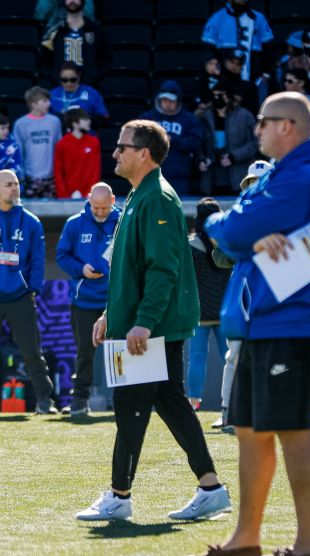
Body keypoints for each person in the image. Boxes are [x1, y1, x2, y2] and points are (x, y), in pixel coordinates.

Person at [187, 92, 310, 556]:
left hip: (295, 323)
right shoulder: (284, 175)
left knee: (294, 431)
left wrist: (230, 226)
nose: (255, 130)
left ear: (287, 127)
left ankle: (309, 545)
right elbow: (238, 234)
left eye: (262, 122)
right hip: (268, 321)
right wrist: (244, 232)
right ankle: (245, 539)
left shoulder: (304, 176)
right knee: (250, 430)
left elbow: (229, 231)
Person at [75, 119, 226, 523]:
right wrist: (112, 313)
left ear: (143, 153)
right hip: (139, 324)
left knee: (129, 407)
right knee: (172, 403)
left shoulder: (157, 198)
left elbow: (163, 269)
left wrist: (142, 322)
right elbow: (132, 269)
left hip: (149, 329)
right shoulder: (141, 195)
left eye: (122, 147)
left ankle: (119, 495)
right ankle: (210, 487)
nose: (115, 153)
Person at [0, 169, 56, 416]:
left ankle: (45, 401)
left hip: (20, 296)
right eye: (8, 184)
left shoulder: (30, 221)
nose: (14, 188)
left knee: (32, 352)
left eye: (16, 184)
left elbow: (38, 259)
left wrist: (32, 289)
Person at [212, 160, 273, 433]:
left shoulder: (287, 216)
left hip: (275, 294)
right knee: (235, 353)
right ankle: (229, 411)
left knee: (276, 354)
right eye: (251, 184)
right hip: (244, 294)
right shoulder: (236, 218)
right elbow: (219, 257)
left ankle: (273, 411)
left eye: (260, 183)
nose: (255, 189)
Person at [55, 182, 118, 417]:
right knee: (84, 353)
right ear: (89, 200)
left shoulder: (124, 222)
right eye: (95, 207)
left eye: (104, 208)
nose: (100, 212)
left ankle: (123, 401)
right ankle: (80, 401)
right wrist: (81, 269)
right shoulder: (75, 224)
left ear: (113, 201)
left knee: (119, 350)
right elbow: (62, 256)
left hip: (116, 301)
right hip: (84, 301)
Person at [186, 198, 230, 409]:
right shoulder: (227, 242)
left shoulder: (190, 245)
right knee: (230, 358)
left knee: (196, 356)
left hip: (198, 311)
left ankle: (193, 401)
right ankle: (234, 400)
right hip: (224, 309)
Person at [140, 80, 205, 195]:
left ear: (178, 100)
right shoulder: (148, 118)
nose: (167, 103)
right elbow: (136, 139)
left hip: (179, 177)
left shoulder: (189, 119)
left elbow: (194, 142)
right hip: (150, 176)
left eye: (171, 100)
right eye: (164, 100)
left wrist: (171, 140)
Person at [198, 81, 257, 195]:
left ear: (229, 96)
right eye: (214, 95)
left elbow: (255, 142)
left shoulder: (244, 115)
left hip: (239, 177)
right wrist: (201, 158)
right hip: (211, 180)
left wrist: (235, 156)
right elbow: (197, 143)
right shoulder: (204, 116)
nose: (217, 98)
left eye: (220, 95)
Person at [202, 0, 274, 82]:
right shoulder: (216, 18)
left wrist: (267, 72)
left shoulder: (259, 18)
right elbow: (207, 49)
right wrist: (211, 62)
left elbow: (268, 49)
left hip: (253, 80)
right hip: (224, 78)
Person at [41, 0, 105, 84]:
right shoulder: (54, 31)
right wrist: (55, 77)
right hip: (59, 86)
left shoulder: (95, 30)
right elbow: (43, 60)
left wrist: (93, 77)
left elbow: (105, 59)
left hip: (89, 87)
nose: (72, 1)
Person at [14, 87, 62, 199]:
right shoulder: (21, 124)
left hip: (51, 177)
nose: (49, 104)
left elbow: (59, 148)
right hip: (30, 177)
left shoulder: (54, 122)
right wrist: (21, 176)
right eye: (45, 101)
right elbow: (18, 151)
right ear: (34, 104)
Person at [54, 108, 101, 200]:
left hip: (89, 195)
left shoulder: (94, 142)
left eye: (88, 119)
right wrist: (64, 195)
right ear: (74, 123)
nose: (89, 121)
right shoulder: (61, 144)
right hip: (66, 196)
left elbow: (96, 170)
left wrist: (90, 193)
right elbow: (58, 172)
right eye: (84, 119)